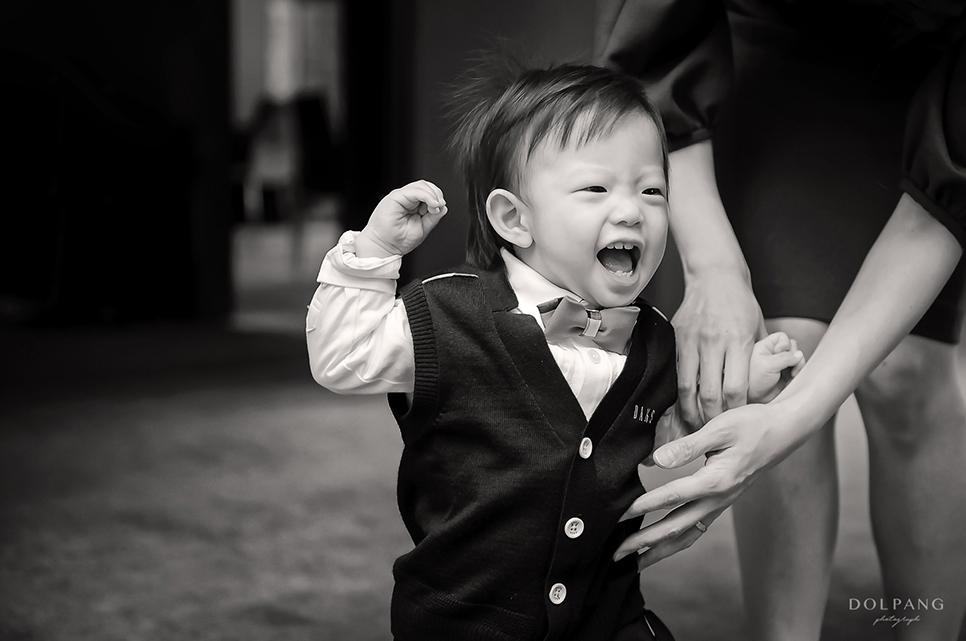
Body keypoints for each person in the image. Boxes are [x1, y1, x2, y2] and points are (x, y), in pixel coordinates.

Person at [306, 63, 804, 641]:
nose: (631, 210)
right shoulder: (448, 315)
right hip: (466, 617)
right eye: (596, 189)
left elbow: (658, 434)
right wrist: (373, 252)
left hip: (606, 614)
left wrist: (741, 387)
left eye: (652, 190)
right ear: (515, 219)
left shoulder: (654, 337)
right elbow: (342, 357)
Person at [597, 2, 966, 639]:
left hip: (942, 66)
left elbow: (948, 188)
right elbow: (655, 48)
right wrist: (714, 271)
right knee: (782, 353)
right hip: (777, 50)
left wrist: (786, 425)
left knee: (904, 371)